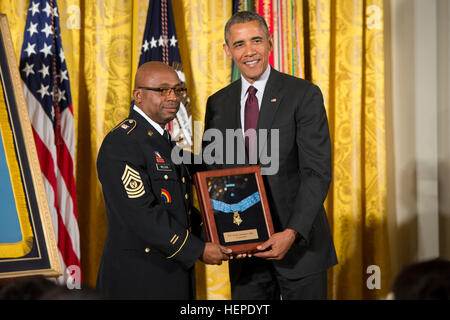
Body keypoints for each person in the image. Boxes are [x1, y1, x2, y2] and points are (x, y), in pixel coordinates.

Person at [202, 11, 338, 300]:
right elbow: (215, 172)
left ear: (270, 43)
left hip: (299, 248)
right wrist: (219, 232)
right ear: (227, 51)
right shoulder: (218, 103)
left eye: (256, 40)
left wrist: (291, 232)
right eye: (239, 44)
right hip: (244, 252)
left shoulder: (303, 94)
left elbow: (317, 171)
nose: (249, 51)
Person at [96, 61, 232, 299]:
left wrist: (226, 231)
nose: (173, 97)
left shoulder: (161, 141)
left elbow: (182, 208)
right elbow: (142, 215)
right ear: (138, 95)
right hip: (140, 276)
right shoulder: (123, 143)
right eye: (162, 90)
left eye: (177, 90)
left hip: (172, 269)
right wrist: (197, 249)